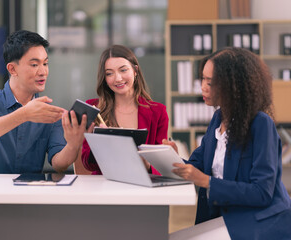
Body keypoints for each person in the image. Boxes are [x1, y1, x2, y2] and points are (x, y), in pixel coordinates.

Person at [167, 47, 291, 239]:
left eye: (210, 82)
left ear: (234, 85)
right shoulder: (218, 118)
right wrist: (169, 158)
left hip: (259, 221)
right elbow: (197, 166)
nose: (203, 87)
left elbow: (262, 193)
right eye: (202, 79)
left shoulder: (260, 124)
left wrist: (205, 181)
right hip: (224, 217)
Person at [0, 30, 92, 173]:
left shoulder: (49, 113)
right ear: (12, 69)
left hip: (28, 192)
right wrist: (23, 115)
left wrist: (73, 145)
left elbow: (59, 164)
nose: (43, 72)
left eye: (45, 64)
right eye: (34, 65)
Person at [81, 45, 169, 175]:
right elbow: (87, 164)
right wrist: (100, 144)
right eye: (109, 73)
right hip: (104, 186)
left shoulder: (158, 112)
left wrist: (145, 163)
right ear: (104, 79)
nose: (118, 78)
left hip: (142, 187)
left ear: (135, 71)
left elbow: (161, 166)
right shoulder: (94, 108)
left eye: (123, 70)